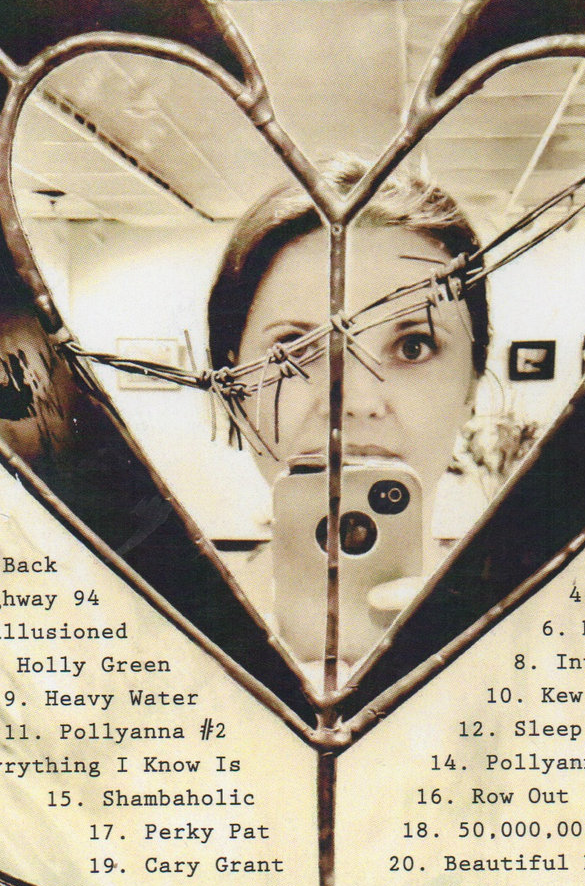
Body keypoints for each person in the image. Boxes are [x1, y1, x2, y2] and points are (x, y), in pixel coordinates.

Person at [207, 156, 490, 677]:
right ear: (233, 384)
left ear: (472, 383)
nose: (354, 400)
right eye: (296, 350)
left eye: (413, 346)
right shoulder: (163, 636)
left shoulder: (529, 639)